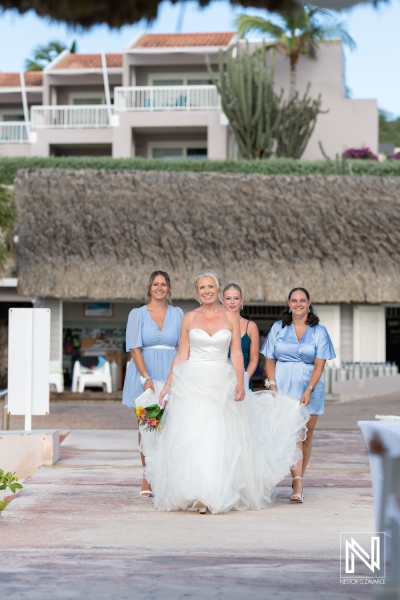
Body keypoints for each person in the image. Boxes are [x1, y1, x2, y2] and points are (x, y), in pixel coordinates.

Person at [144, 269, 309, 514]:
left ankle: (212, 492)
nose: (207, 291)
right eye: (202, 288)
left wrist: (241, 382)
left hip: (222, 381)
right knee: (192, 436)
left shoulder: (230, 318)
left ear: (218, 291)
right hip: (192, 382)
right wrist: (168, 385)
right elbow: (181, 354)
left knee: (218, 435)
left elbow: (237, 353)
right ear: (197, 293)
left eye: (211, 287)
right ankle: (195, 491)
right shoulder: (189, 318)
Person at [261, 287, 336, 503]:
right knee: (293, 434)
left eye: (302, 300)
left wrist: (309, 389)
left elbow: (320, 364)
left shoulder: (320, 331)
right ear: (288, 303)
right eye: (294, 301)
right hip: (284, 385)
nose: (298, 304)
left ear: (309, 303)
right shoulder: (278, 328)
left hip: (310, 385)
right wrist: (272, 385)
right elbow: (269, 358)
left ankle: (299, 476)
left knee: (307, 435)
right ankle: (298, 482)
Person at [122, 270, 183, 497]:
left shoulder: (178, 314)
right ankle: (148, 476)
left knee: (171, 426)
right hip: (144, 372)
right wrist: (146, 378)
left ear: (169, 287)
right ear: (149, 287)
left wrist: (175, 378)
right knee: (148, 425)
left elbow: (183, 347)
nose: (159, 288)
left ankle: (168, 476)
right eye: (155, 284)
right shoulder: (137, 314)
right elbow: (134, 347)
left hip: (172, 374)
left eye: (163, 284)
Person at [222, 283, 259, 391]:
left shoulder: (251, 326)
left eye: (236, 298)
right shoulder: (217, 325)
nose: (232, 302)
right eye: (228, 298)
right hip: (220, 381)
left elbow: (254, 359)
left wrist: (243, 379)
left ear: (241, 300)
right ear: (223, 301)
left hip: (244, 381)